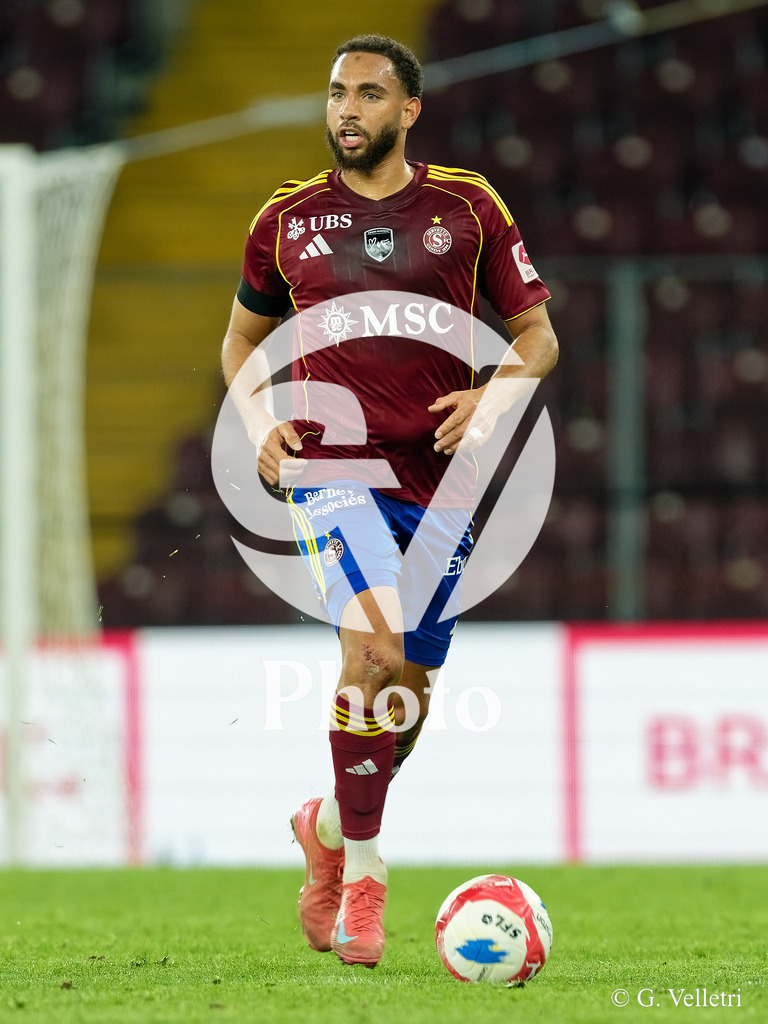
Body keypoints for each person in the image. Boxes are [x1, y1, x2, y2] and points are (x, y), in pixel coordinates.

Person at [220, 33, 558, 969]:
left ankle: (325, 823)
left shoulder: (469, 206)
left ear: (408, 110)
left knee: (400, 709)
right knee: (370, 651)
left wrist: (492, 397)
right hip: (338, 470)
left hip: (442, 486)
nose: (346, 110)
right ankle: (363, 877)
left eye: (368, 94)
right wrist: (257, 426)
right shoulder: (285, 220)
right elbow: (239, 344)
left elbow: (537, 340)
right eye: (336, 93)